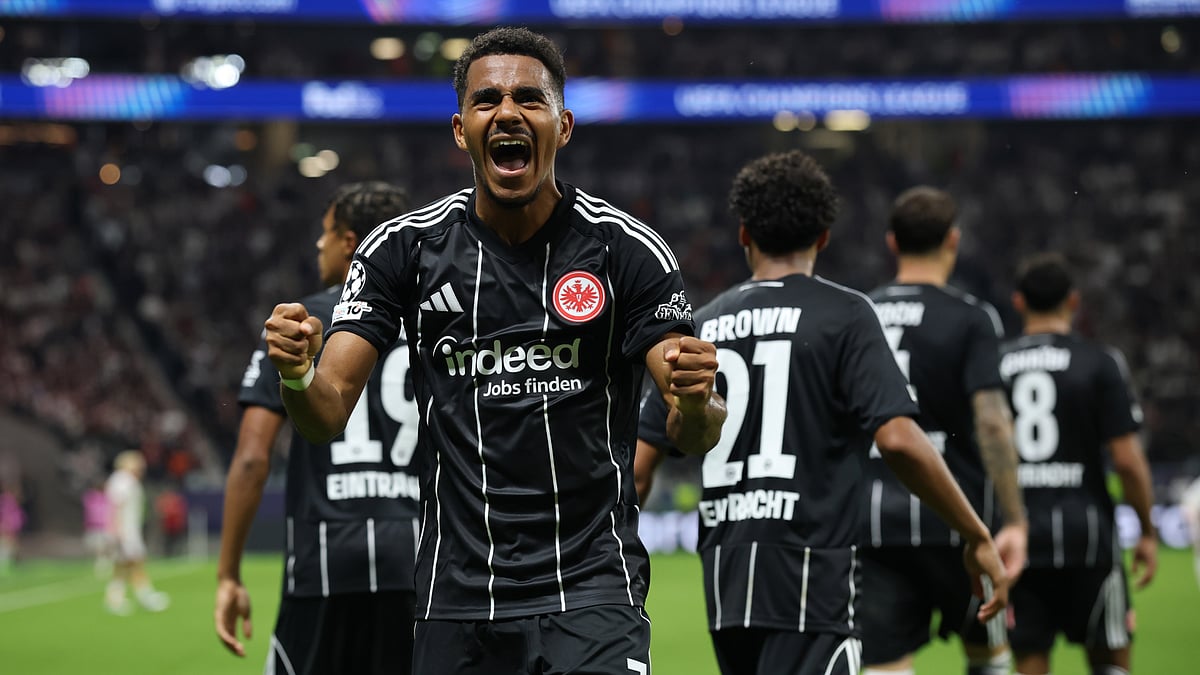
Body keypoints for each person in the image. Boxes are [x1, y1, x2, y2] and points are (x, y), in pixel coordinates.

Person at [263, 27, 726, 675]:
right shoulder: (403, 250)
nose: (508, 112)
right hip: (457, 599)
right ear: (461, 130)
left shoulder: (627, 250)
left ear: (563, 125)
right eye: (487, 101)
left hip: (593, 588)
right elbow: (326, 412)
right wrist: (295, 372)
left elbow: (693, 428)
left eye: (529, 99)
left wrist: (698, 400)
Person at [637, 150, 1008, 675]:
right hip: (813, 578)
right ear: (825, 236)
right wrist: (976, 533)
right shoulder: (846, 313)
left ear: (744, 234)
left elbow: (637, 469)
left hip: (726, 580)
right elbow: (899, 439)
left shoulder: (704, 324)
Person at [215, 181, 418, 675]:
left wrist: (228, 574)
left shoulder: (296, 328)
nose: (318, 245)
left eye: (325, 234)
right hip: (421, 562)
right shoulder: (435, 323)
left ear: (350, 242)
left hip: (324, 562)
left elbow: (251, 457)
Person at [859, 187, 1028, 675]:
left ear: (892, 243)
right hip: (958, 521)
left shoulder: (858, 312)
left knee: (884, 666)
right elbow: (993, 423)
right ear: (953, 240)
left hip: (873, 527)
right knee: (989, 657)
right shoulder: (972, 317)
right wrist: (1014, 519)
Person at [999, 253, 1157, 675]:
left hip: (1020, 539)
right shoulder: (1100, 362)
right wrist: (1146, 530)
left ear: (1018, 302)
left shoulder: (996, 365)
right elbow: (1127, 461)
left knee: (1030, 662)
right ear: (1073, 301)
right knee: (1110, 660)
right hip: (1088, 537)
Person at [104, 450, 169, 615]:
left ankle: (114, 599)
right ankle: (146, 597)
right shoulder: (123, 481)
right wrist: (117, 530)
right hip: (125, 531)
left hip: (128, 529)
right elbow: (116, 507)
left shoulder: (124, 480)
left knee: (122, 567)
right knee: (136, 563)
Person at [82, 479, 113, 578]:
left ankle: (104, 564)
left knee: (105, 548)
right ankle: (101, 564)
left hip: (103, 526)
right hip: (96, 526)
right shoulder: (93, 498)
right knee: (99, 548)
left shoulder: (107, 498)